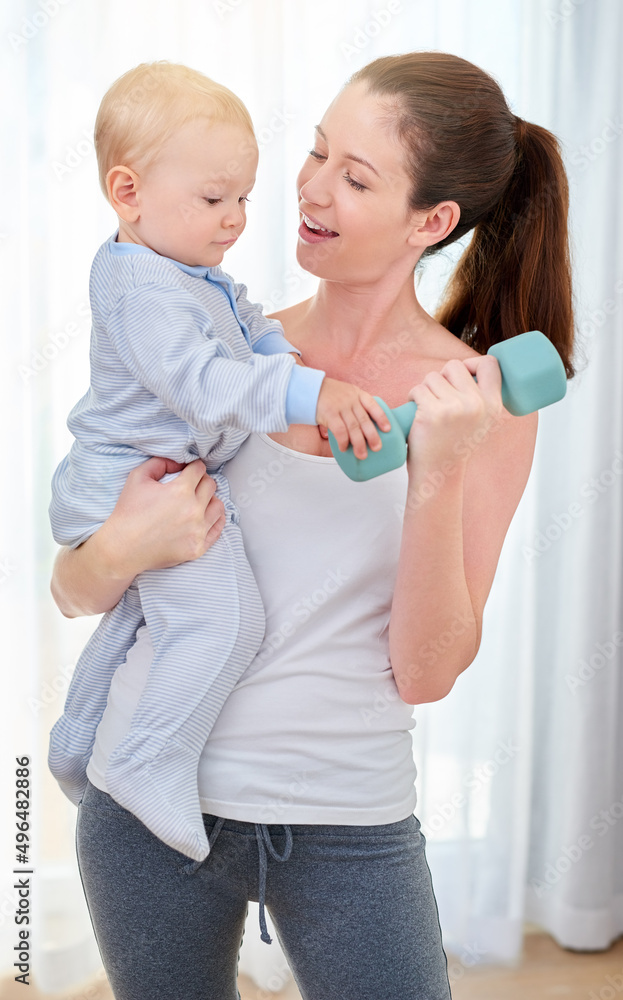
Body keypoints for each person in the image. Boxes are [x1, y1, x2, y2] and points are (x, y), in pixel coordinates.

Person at [50, 52, 575, 1000]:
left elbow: (425, 671)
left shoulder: (477, 403)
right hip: (147, 813)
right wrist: (128, 544)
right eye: (318, 151)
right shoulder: (220, 347)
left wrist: (437, 474)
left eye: (355, 175)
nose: (310, 188)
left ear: (433, 221)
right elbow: (74, 588)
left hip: (348, 825)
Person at [47, 62, 391, 864]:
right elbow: (203, 382)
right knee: (224, 621)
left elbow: (245, 322)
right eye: (213, 199)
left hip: (158, 483)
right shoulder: (138, 285)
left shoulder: (184, 270)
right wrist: (308, 392)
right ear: (127, 192)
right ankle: (145, 761)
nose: (236, 218)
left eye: (243, 197)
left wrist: (280, 349)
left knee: (144, 621)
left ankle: (78, 738)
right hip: (131, 488)